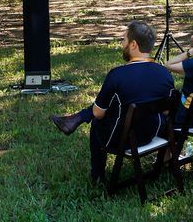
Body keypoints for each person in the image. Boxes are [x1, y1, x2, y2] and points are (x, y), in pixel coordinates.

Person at [50, 21, 175, 182]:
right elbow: (166, 111)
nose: (122, 44)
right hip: (152, 133)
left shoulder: (117, 75)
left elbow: (98, 113)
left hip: (123, 140)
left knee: (96, 121)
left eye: (124, 40)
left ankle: (97, 177)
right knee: (118, 104)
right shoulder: (164, 73)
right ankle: (75, 119)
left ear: (134, 44)